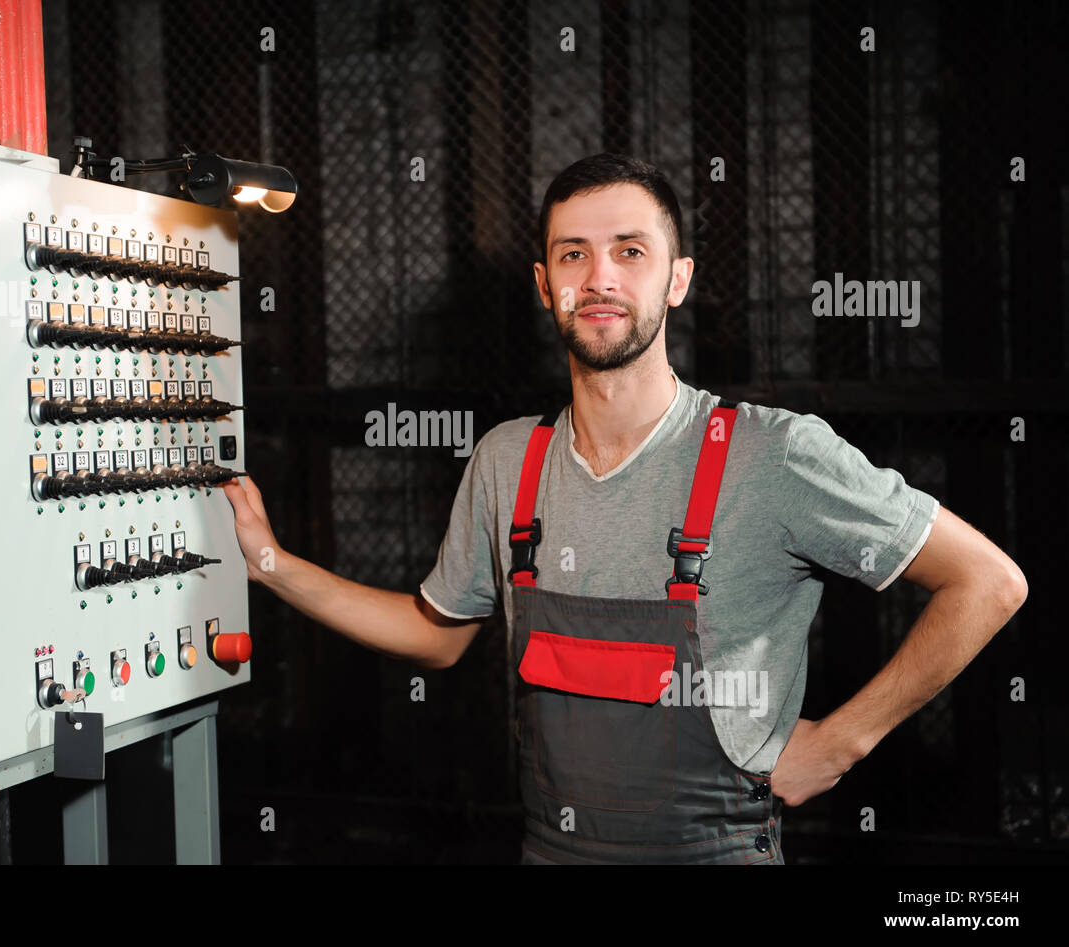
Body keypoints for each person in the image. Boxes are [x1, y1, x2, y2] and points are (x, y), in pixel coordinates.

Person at [221, 153, 1028, 865]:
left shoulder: (772, 453)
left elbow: (989, 583)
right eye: (574, 254)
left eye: (630, 252)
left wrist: (842, 742)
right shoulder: (509, 460)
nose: (600, 278)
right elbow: (436, 638)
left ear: (677, 278)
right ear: (545, 285)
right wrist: (271, 564)